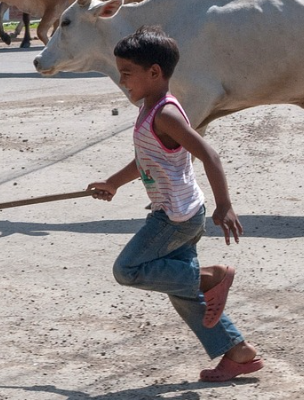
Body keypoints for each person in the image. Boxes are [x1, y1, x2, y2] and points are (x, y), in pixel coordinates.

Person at [86, 25, 263, 382]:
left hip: (176, 217)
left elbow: (209, 154)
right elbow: (146, 161)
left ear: (154, 73)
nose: (122, 81)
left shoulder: (165, 114)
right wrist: (113, 184)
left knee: (128, 270)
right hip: (182, 212)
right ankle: (238, 353)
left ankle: (212, 276)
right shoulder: (151, 108)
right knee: (181, 291)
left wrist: (225, 205)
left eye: (127, 73)